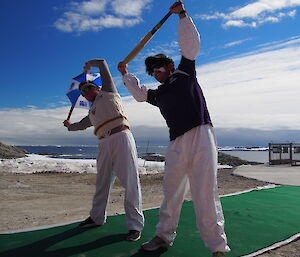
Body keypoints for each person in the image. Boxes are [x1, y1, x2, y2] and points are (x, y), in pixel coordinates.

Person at [117, 1, 230, 256]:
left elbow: (190, 45)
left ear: (169, 65)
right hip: (176, 141)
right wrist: (126, 74)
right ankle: (163, 236)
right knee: (171, 191)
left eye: (158, 68)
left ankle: (217, 247)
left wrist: (182, 16)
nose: (155, 73)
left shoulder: (185, 72)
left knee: (205, 192)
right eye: (152, 72)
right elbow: (138, 94)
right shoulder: (158, 93)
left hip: (201, 134)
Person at [63, 58, 144, 241]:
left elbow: (103, 63)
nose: (85, 91)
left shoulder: (108, 92)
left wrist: (90, 64)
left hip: (121, 137)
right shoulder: (92, 112)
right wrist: (69, 125)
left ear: (96, 87)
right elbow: (80, 125)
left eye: (88, 87)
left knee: (130, 181)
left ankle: (135, 226)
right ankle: (96, 217)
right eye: (83, 91)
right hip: (104, 143)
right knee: (102, 182)